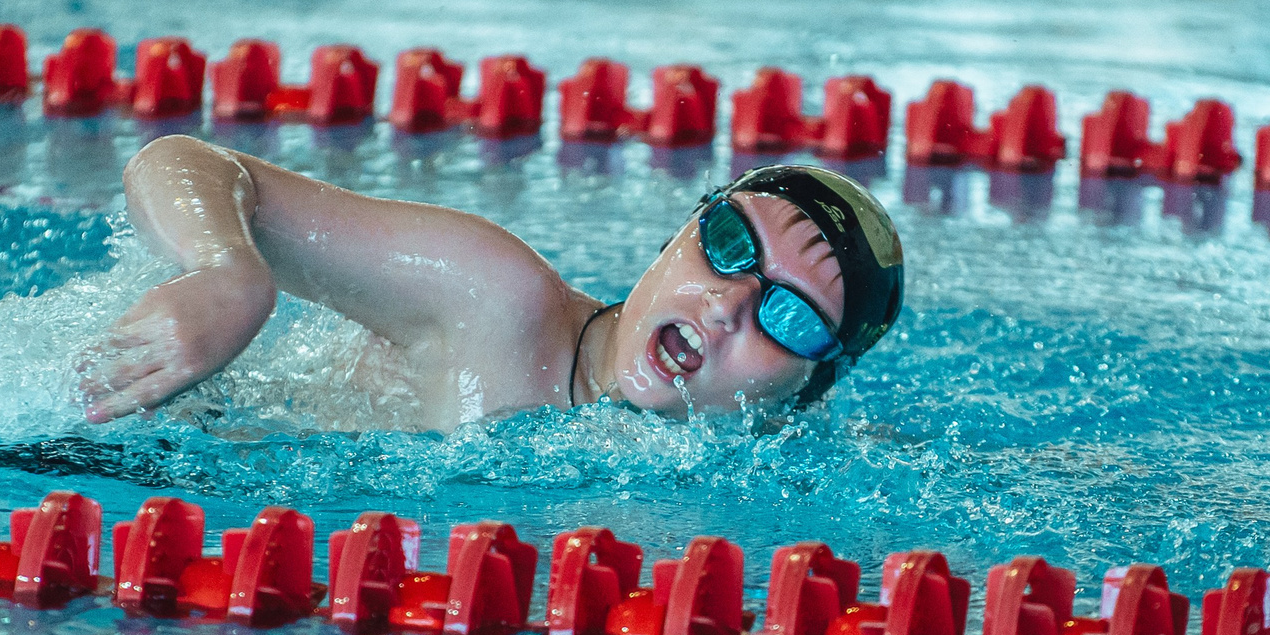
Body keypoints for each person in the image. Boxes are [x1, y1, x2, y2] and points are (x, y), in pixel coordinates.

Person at [74, 138, 903, 428]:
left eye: (790, 318)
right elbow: (183, 162)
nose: (727, 306)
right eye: (728, 243)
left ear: (804, 391)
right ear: (673, 237)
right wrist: (228, 272)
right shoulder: (492, 298)